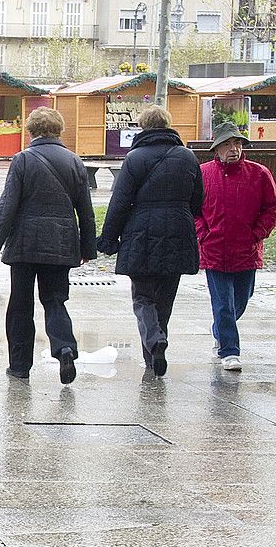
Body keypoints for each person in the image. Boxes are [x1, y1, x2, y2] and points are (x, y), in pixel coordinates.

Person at [0, 107, 95, 384]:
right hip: (61, 241)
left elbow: (7, 205)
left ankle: (19, 366)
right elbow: (86, 210)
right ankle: (64, 347)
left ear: (30, 131)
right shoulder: (74, 161)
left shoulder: (23, 160)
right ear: (59, 130)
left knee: (20, 305)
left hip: (25, 243)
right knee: (55, 300)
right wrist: (87, 248)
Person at [97, 105, 203, 377]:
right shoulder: (188, 157)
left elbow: (120, 202)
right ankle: (155, 354)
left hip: (141, 232)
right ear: (168, 125)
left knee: (143, 297)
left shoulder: (135, 158)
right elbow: (198, 202)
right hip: (179, 231)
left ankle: (154, 343)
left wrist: (108, 239)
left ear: (143, 127)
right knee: (165, 299)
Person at [196, 122, 276, 371]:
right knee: (223, 304)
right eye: (228, 144)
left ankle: (219, 329)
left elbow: (271, 208)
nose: (234, 149)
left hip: (247, 250)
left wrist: (258, 234)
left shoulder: (259, 173)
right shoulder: (202, 173)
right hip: (214, 249)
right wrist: (203, 234)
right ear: (217, 149)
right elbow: (193, 210)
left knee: (241, 299)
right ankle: (230, 351)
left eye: (238, 143)